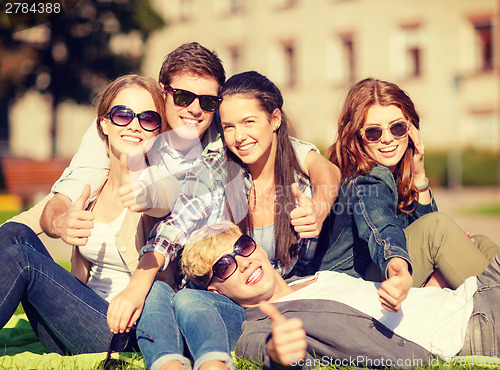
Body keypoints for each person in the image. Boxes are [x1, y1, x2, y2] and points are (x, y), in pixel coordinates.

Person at [133, 71, 340, 370]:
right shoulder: (218, 171)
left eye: (248, 122)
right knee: (178, 297)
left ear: (275, 119)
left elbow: (328, 171)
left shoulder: (299, 183)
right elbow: (173, 225)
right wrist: (136, 285)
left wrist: (319, 209)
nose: (238, 136)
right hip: (221, 301)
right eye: (228, 126)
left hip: (271, 307)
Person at [0, 74, 180, 356]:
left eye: (147, 119)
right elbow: (30, 222)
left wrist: (146, 193)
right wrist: (59, 221)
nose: (134, 124)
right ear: (104, 124)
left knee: (23, 261)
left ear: (157, 132)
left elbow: (166, 198)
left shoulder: (160, 182)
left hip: (120, 333)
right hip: (74, 320)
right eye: (122, 114)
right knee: (13, 234)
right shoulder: (92, 186)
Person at [182, 221, 500, 369]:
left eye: (244, 247)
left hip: (471, 292)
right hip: (471, 324)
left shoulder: (308, 277)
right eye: (224, 265)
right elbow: (262, 351)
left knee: (483, 242)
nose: (244, 262)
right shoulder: (258, 327)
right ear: (215, 289)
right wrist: (277, 354)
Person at [317, 78, 498, 310]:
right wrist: (398, 266)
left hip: (375, 273)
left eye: (397, 127)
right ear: (356, 135)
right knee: (439, 229)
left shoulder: (394, 176)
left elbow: (424, 233)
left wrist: (419, 175)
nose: (388, 138)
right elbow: (381, 227)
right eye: (373, 132)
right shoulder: (366, 179)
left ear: (410, 129)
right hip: (354, 287)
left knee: (478, 243)